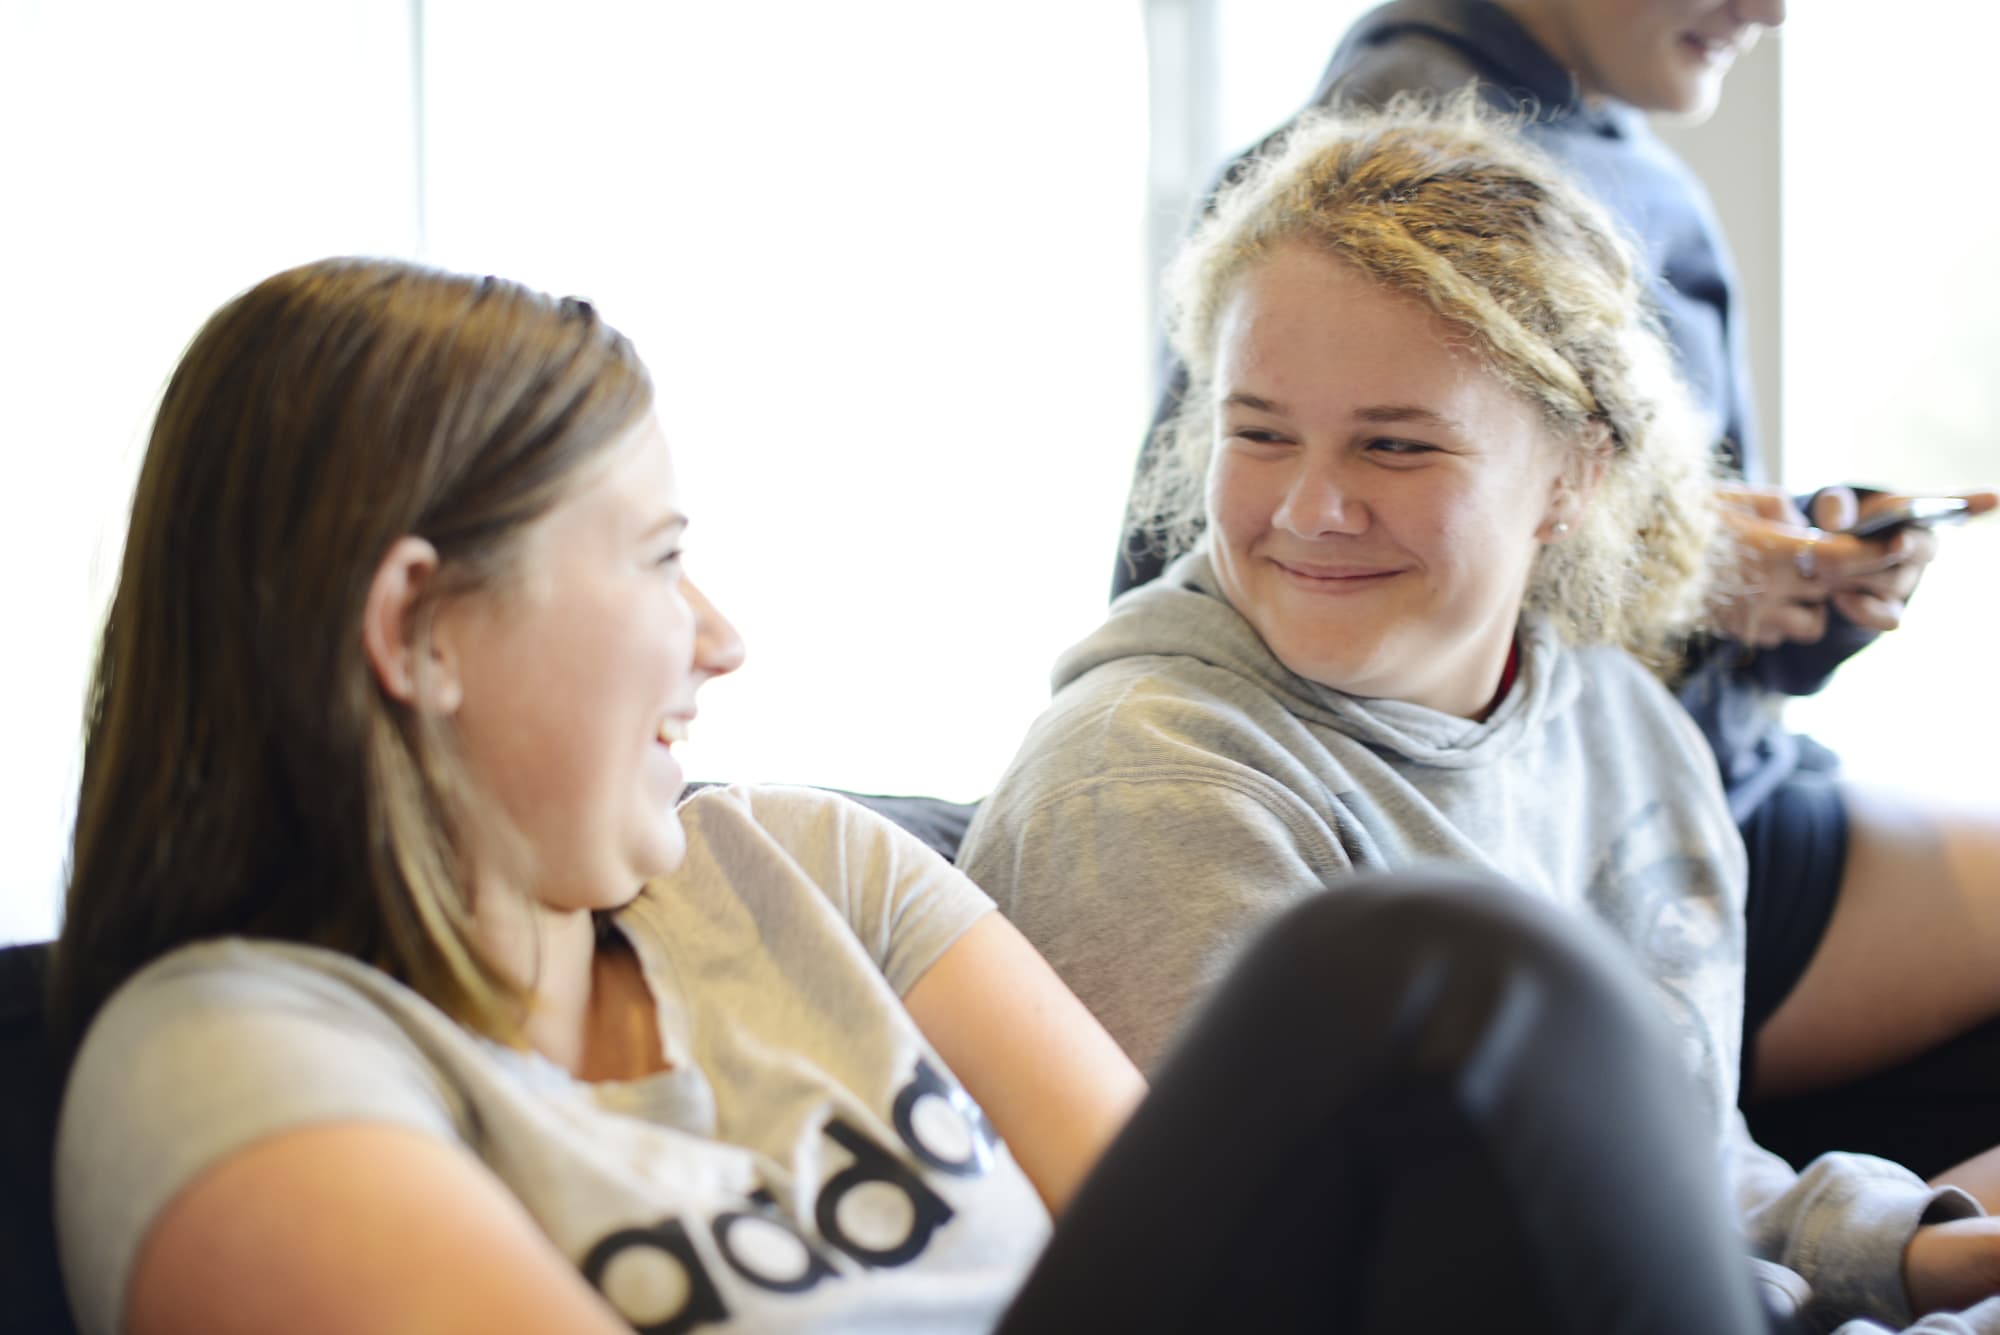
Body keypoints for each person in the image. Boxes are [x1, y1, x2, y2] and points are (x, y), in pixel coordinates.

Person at [47, 256, 1826, 1334]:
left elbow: (1233, 1266)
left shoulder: (795, 864)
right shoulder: (232, 1058)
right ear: (415, 631)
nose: (719, 639)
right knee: (1432, 982)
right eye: (657, 561)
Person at [960, 95, 2000, 1331]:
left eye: (1394, 447)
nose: (1309, 507)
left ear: (1573, 473)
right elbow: (1331, 1279)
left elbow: (1683, 1173)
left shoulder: (1617, 724)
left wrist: (1933, 1257)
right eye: (1257, 433)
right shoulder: (1153, 781)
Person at [1111, 0, 2000, 1118]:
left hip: (1666, 778)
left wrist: (1772, 601)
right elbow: (1257, 579)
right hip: (1573, 844)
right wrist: (1670, 573)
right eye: (1266, 433)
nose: (1768, 10)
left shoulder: (1616, 153)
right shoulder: (1397, 172)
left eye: (1390, 440)